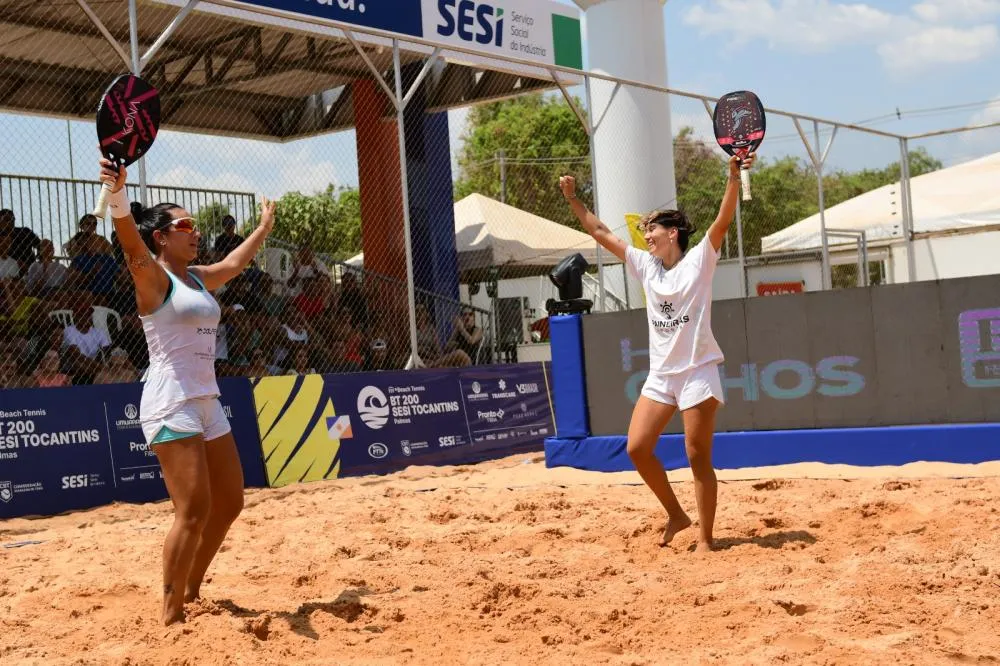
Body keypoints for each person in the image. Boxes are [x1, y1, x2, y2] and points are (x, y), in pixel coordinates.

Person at [98, 155, 276, 625]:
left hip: (205, 398)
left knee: (231, 502)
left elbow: (235, 263)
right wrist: (117, 194)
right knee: (193, 509)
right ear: (162, 236)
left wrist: (263, 226)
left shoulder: (197, 277)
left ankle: (192, 588)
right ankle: (170, 613)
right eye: (185, 225)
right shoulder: (153, 277)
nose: (195, 231)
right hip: (170, 397)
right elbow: (130, 244)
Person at [559, 152, 756, 553]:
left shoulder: (699, 261)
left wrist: (733, 178)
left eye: (653, 229)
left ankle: (704, 539)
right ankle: (677, 515)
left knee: (697, 456)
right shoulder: (647, 266)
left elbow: (721, 221)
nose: (646, 235)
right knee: (637, 447)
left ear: (674, 233)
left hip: (697, 369)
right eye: (646, 230)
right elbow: (599, 231)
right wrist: (572, 200)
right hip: (663, 375)